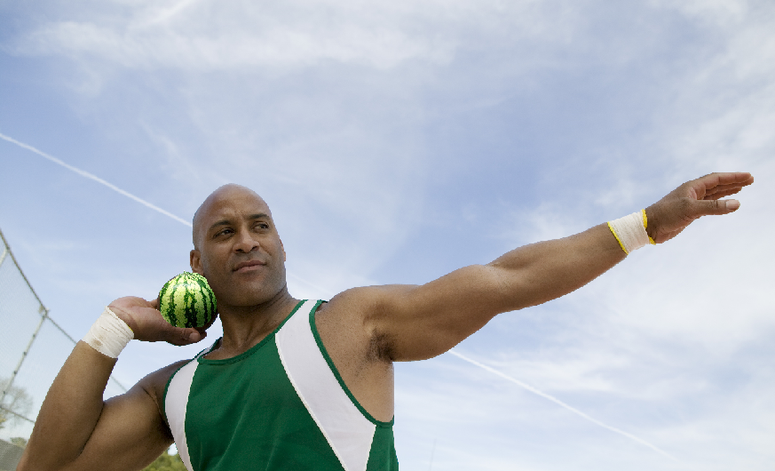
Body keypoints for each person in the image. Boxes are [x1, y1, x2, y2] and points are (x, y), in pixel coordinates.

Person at [17, 172, 754, 471]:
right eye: (223, 231)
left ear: (279, 243)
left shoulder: (348, 322)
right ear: (194, 262)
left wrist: (648, 222)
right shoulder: (171, 390)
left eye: (261, 225)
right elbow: (48, 467)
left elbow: (507, 279)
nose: (246, 239)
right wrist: (115, 326)